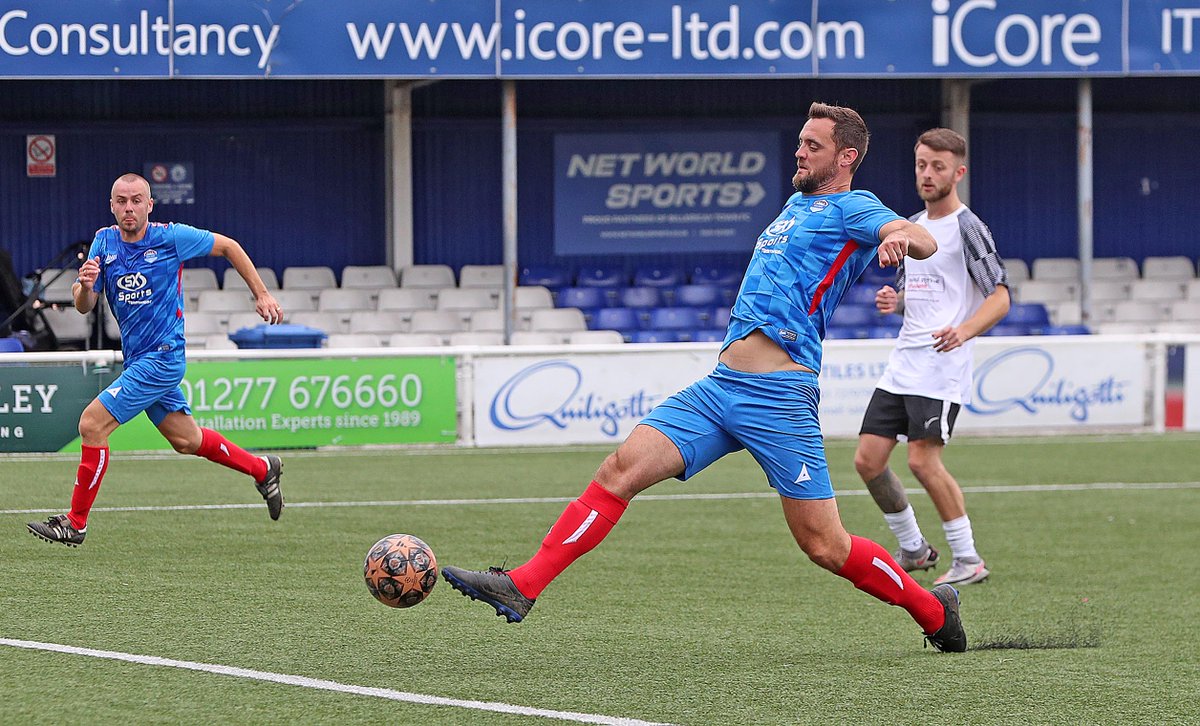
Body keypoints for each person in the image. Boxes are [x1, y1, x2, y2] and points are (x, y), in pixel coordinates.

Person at [443, 103, 968, 652]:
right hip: (720, 389)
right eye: (800, 142)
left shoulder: (854, 206)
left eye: (813, 145)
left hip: (779, 398)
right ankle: (523, 586)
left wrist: (900, 239)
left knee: (825, 546)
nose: (799, 151)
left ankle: (934, 612)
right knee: (618, 470)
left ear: (846, 157)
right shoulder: (794, 204)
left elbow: (921, 238)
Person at [26, 173, 287, 547]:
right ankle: (262, 469)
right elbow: (86, 306)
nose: (128, 207)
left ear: (150, 205)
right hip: (137, 360)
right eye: (121, 201)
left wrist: (261, 295)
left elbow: (229, 246)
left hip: (163, 357)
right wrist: (84, 286)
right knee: (187, 440)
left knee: (91, 425)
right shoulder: (104, 241)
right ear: (112, 205)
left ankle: (75, 523)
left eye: (136, 200)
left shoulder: (171, 237)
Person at [853, 128, 1010, 586]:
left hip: (941, 366)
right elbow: (920, 291)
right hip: (904, 362)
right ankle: (915, 548)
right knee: (867, 460)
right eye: (922, 164)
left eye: (938, 166)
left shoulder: (968, 226)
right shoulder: (912, 227)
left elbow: (1000, 296)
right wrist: (894, 301)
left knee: (922, 461)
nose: (927, 173)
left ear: (958, 172)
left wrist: (964, 330)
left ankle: (968, 559)